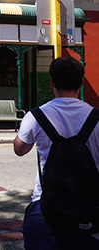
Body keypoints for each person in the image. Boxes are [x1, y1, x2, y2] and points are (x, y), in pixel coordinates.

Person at [14, 57, 99, 249]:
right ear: (81, 83)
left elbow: (20, 149)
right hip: (89, 208)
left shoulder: (35, 116)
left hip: (46, 208)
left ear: (52, 82)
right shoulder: (97, 117)